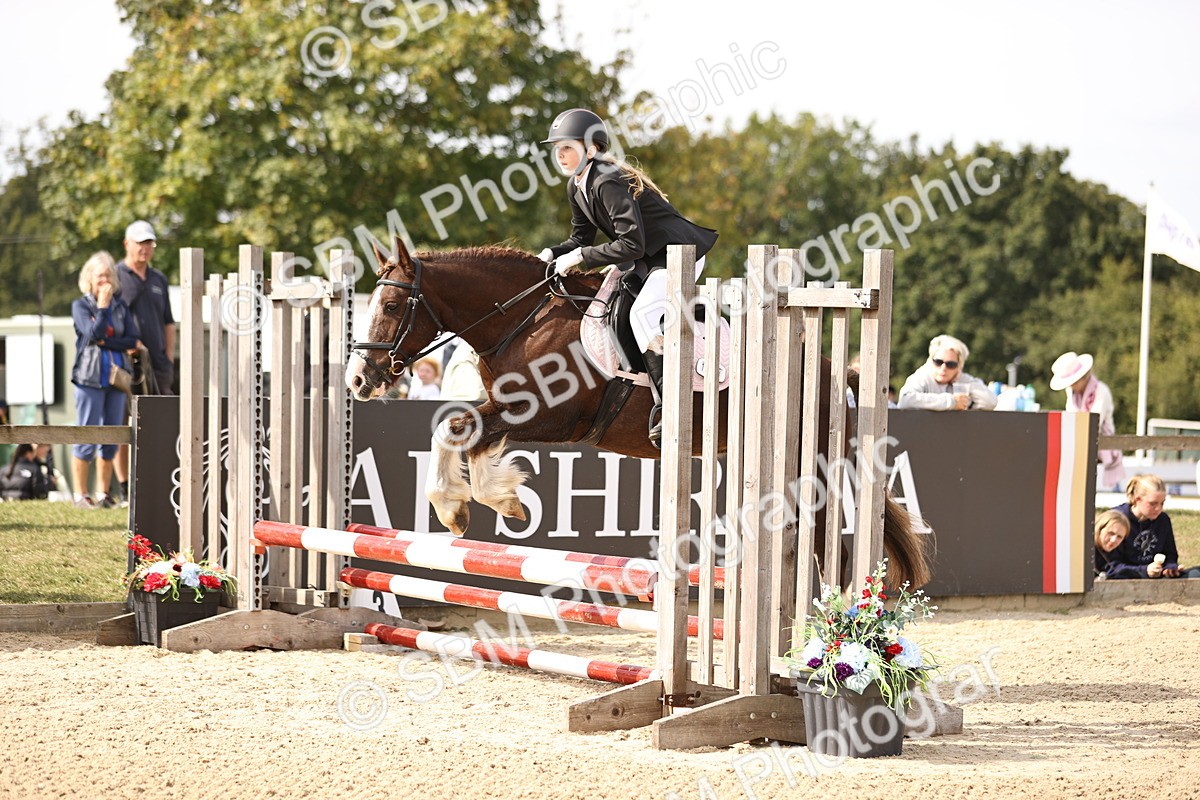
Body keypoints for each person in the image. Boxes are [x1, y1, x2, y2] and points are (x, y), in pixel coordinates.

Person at [537, 108, 719, 445]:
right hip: (649, 258)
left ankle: (673, 408)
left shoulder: (606, 179)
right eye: (556, 148)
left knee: (642, 315)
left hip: (679, 254)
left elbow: (631, 245)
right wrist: (550, 253)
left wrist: (581, 258)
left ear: (590, 149)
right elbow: (580, 240)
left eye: (567, 147)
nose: (559, 154)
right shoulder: (577, 185)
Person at [71, 252, 141, 509]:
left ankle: (104, 493)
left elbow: (132, 340)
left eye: (109, 274)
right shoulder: (80, 306)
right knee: (86, 434)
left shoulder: (121, 307)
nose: (106, 279)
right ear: (89, 278)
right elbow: (93, 333)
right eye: (100, 275)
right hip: (89, 379)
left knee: (111, 435)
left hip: (117, 379)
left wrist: (107, 342)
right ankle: (81, 495)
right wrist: (102, 306)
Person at [115, 219, 175, 505]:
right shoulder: (114, 276)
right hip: (127, 362)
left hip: (158, 363)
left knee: (161, 420)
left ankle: (160, 481)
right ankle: (125, 488)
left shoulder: (158, 279)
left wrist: (168, 355)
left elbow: (168, 321)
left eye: (150, 242)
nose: (146, 248)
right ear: (127, 244)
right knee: (125, 421)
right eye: (140, 242)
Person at [1050, 351, 1124, 491]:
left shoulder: (1101, 391)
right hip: (1079, 442)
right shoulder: (1072, 393)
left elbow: (1094, 420)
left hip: (1102, 445)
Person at [1112, 474, 1199, 579]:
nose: (1158, 509)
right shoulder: (1118, 518)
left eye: (1162, 503)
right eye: (1153, 504)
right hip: (1128, 576)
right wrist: (1145, 570)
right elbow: (1112, 566)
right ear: (1137, 499)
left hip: (1157, 576)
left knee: (1196, 573)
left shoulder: (1163, 520)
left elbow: (1170, 554)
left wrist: (1170, 568)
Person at [897, 334, 997, 411]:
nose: (943, 368)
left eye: (951, 364)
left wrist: (967, 385)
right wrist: (951, 402)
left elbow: (991, 402)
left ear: (959, 367)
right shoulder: (923, 376)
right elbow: (905, 400)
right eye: (938, 362)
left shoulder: (963, 379)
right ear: (930, 361)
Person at [1092, 509, 1136, 579]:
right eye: (1110, 533)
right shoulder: (1085, 549)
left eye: (1119, 537)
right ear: (1099, 529)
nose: (1113, 540)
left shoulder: (1118, 552)